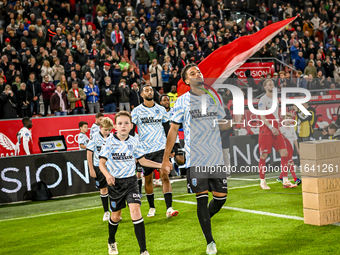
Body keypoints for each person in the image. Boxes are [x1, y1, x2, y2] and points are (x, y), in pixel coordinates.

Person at [161, 63, 237, 255]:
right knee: (202, 199)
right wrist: (166, 158)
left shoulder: (213, 97)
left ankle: (204, 221)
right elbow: (172, 130)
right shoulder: (182, 101)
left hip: (216, 156)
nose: (198, 74)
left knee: (221, 199)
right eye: (192, 73)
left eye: (199, 72)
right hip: (196, 157)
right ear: (187, 81)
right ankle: (210, 241)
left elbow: (222, 125)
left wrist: (235, 121)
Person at [99, 111, 167, 255]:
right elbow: (101, 163)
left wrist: (161, 165)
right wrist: (108, 175)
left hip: (131, 182)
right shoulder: (109, 141)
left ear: (131, 126)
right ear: (115, 127)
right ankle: (111, 241)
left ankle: (143, 250)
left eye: (126, 123)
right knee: (115, 216)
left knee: (135, 212)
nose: (123, 126)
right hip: (115, 184)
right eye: (120, 123)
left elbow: (142, 161)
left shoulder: (135, 141)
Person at [130, 84, 178, 218]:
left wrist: (172, 147)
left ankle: (169, 208)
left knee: (165, 175)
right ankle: (152, 207)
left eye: (151, 90)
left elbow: (168, 129)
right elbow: (132, 132)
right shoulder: (136, 111)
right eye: (146, 90)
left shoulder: (161, 109)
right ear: (141, 95)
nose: (149, 92)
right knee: (148, 180)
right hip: (145, 150)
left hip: (161, 148)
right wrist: (133, 151)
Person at [257, 79, 297, 189]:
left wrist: (278, 129)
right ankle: (262, 182)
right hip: (266, 130)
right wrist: (271, 127)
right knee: (264, 156)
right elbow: (262, 117)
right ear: (265, 87)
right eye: (269, 84)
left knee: (284, 152)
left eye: (273, 84)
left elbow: (276, 115)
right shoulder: (263, 99)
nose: (272, 86)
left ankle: (285, 180)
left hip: (276, 129)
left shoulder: (276, 99)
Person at [87, 117, 113, 222]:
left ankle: (115, 211)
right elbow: (89, 152)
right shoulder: (94, 137)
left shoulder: (112, 137)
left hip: (111, 166)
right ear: (101, 127)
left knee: (113, 189)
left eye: (109, 130)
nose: (107, 132)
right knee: (103, 189)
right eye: (105, 129)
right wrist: (91, 168)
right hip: (98, 166)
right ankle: (106, 212)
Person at [277, 113, 302, 185]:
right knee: (291, 162)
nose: (288, 120)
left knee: (287, 164)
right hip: (284, 149)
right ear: (283, 120)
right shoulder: (281, 129)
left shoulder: (292, 128)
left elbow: (295, 139)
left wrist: (297, 149)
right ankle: (295, 179)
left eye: (289, 118)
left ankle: (280, 178)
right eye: (286, 118)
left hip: (291, 148)